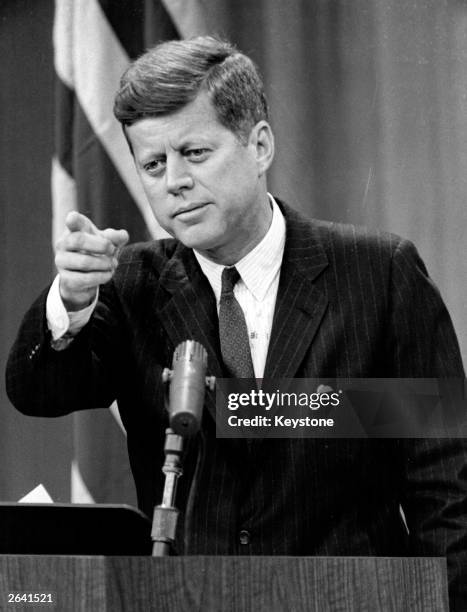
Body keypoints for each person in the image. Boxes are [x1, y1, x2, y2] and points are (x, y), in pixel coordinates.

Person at [6, 36, 467, 606]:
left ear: (260, 145)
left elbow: (444, 490)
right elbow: (38, 390)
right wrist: (70, 302)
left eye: (194, 153)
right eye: (153, 163)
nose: (173, 180)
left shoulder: (379, 273)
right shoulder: (131, 285)